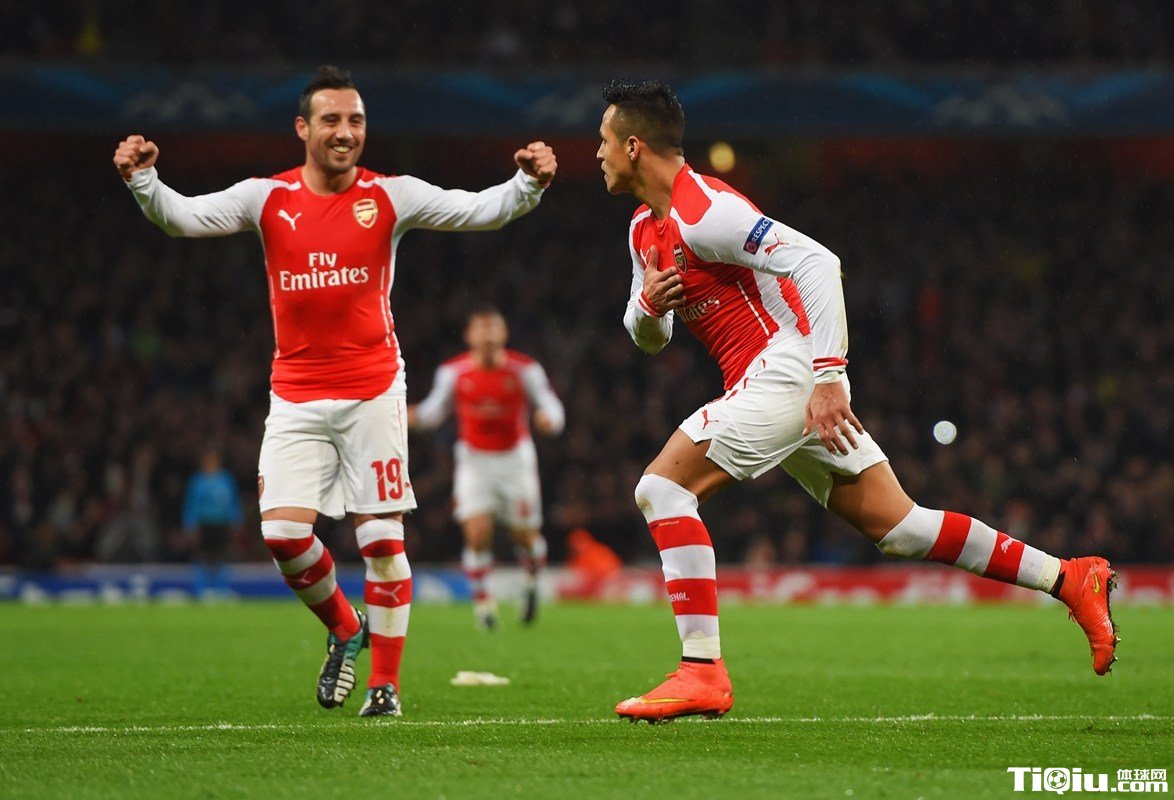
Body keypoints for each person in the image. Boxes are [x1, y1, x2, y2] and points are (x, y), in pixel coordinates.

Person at [595, 79, 1117, 723]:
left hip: (789, 368)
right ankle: (1070, 577)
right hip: (768, 379)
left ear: (634, 145)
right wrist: (649, 308)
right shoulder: (643, 229)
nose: (598, 153)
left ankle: (701, 669)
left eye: (603, 139)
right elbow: (649, 338)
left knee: (662, 489)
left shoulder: (706, 211)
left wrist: (828, 377)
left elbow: (817, 262)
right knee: (901, 528)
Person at [113, 65, 557, 717]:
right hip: (295, 393)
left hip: (373, 390)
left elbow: (477, 210)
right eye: (331, 120)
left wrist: (528, 184)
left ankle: (385, 687)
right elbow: (183, 219)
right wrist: (144, 181)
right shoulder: (267, 198)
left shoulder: (392, 195)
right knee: (282, 536)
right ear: (303, 128)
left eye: (356, 121)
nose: (346, 132)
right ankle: (347, 628)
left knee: (381, 541)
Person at [408, 306, 565, 629]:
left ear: (504, 334)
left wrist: (551, 420)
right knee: (477, 533)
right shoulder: (453, 372)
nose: (488, 335)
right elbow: (433, 411)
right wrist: (407, 416)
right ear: (469, 336)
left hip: (515, 461)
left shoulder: (525, 370)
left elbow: (551, 404)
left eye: (493, 328)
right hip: (474, 461)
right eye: (481, 328)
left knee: (525, 536)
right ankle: (483, 604)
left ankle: (531, 584)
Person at [181, 449, 244, 599]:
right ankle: (201, 590)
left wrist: (236, 521)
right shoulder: (198, 481)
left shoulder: (226, 480)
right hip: (204, 525)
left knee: (222, 557)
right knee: (202, 558)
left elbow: (233, 502)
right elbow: (192, 504)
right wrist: (190, 525)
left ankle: (222, 589)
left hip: (221, 525)